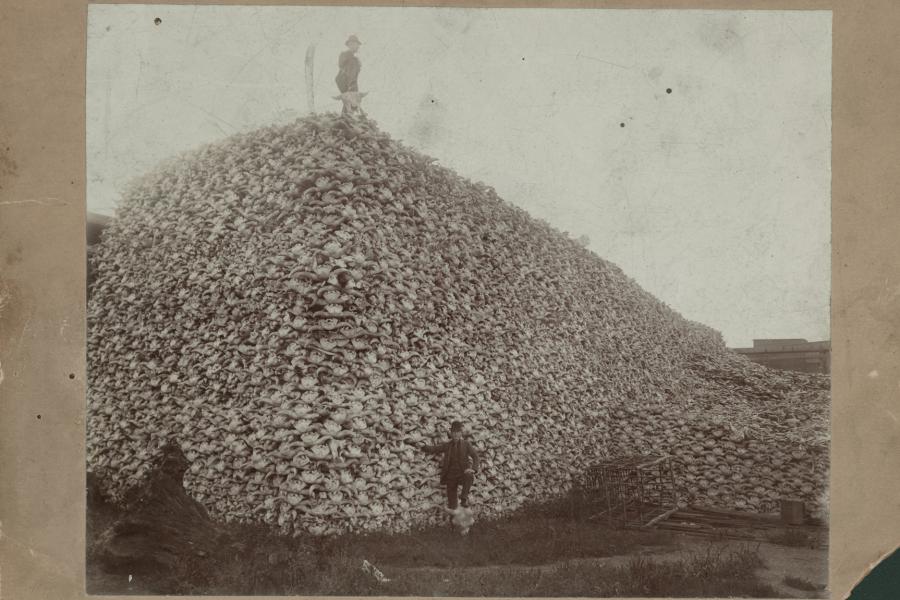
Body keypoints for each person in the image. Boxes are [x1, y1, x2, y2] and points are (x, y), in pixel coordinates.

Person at [418, 421, 480, 509]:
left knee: (469, 476)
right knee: (452, 504)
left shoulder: (466, 444)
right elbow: (434, 449)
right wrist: (423, 446)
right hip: (450, 476)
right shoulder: (447, 445)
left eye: (457, 432)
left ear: (460, 433)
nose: (455, 435)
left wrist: (473, 469)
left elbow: (475, 456)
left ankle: (464, 498)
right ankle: (454, 519)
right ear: (451, 433)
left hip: (462, 473)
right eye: (453, 433)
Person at [335, 35, 362, 115]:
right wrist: (352, 89)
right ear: (351, 45)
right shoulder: (351, 58)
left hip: (347, 84)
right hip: (350, 86)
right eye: (356, 44)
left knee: (348, 107)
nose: (358, 47)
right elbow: (351, 74)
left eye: (358, 45)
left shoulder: (351, 58)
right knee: (351, 108)